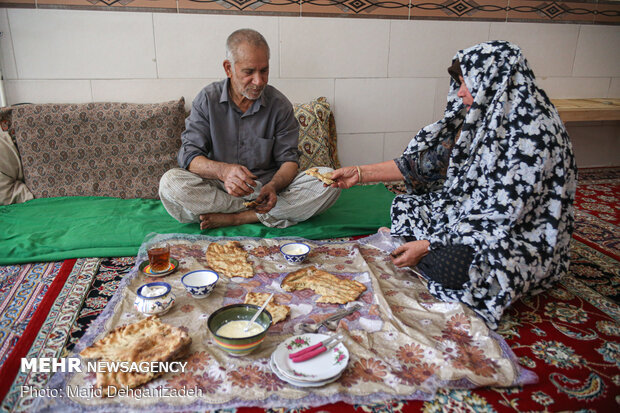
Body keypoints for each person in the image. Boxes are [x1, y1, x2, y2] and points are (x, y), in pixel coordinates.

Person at [330, 41, 577, 328]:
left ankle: (423, 251)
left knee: (456, 267)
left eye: (465, 83)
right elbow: (424, 164)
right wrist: (358, 174)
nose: (460, 92)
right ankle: (422, 248)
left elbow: (503, 218)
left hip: (518, 237)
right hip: (473, 220)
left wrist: (429, 244)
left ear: (492, 81)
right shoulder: (486, 119)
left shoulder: (535, 134)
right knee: (411, 207)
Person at [159, 29, 340, 230]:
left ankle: (240, 217)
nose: (259, 81)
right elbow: (189, 156)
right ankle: (259, 212)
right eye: (249, 72)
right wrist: (223, 171)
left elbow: (289, 161)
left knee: (329, 181)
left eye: (264, 71)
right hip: (218, 190)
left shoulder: (279, 105)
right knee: (170, 183)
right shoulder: (207, 99)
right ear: (228, 68)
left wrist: (272, 187)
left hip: (267, 191)